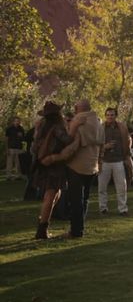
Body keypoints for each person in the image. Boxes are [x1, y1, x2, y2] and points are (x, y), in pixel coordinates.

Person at [41, 99, 102, 239]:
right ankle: (79, 228)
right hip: (92, 166)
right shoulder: (98, 123)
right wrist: (100, 161)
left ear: (78, 108)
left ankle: (75, 231)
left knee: (75, 200)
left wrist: (53, 158)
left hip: (76, 167)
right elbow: (102, 145)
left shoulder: (79, 122)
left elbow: (72, 147)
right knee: (84, 199)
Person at [30, 102, 78, 239]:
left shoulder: (41, 126)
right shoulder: (57, 127)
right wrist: (75, 129)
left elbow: (34, 146)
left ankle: (43, 223)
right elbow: (68, 140)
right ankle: (42, 229)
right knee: (51, 196)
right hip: (54, 165)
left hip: (43, 164)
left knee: (54, 195)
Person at [97, 107, 132, 216]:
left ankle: (123, 209)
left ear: (115, 116)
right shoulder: (101, 128)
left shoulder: (122, 127)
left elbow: (128, 140)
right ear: (105, 116)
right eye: (108, 115)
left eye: (112, 115)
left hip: (118, 160)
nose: (110, 117)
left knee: (121, 186)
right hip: (104, 161)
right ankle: (103, 208)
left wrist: (127, 156)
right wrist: (105, 147)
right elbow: (95, 145)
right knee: (102, 187)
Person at [5, 116, 26, 180]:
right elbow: (6, 139)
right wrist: (7, 149)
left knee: (18, 163)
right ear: (13, 122)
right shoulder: (9, 129)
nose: (17, 122)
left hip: (19, 147)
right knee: (9, 163)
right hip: (11, 147)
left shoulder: (21, 129)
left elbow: (23, 139)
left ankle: (18, 175)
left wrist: (21, 136)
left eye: (18, 121)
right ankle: (8, 176)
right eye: (16, 121)